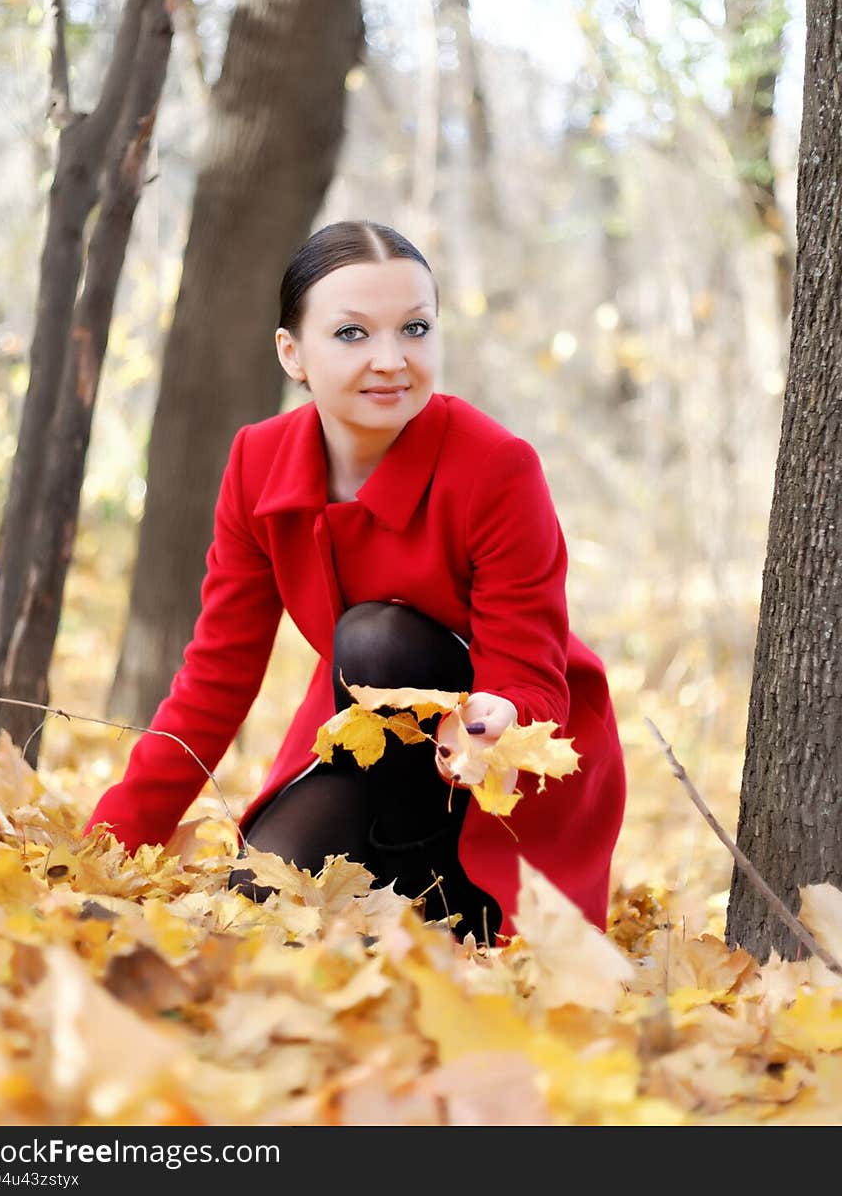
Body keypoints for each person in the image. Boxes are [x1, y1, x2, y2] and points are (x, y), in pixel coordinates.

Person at [84, 220, 626, 946]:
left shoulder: (497, 467)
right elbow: (216, 674)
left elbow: (530, 674)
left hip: (500, 782)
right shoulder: (256, 462)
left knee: (376, 635)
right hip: (364, 748)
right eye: (351, 334)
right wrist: (106, 845)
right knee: (252, 906)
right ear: (292, 353)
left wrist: (498, 717)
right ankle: (395, 880)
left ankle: (452, 895)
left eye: (415, 328)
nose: (390, 360)